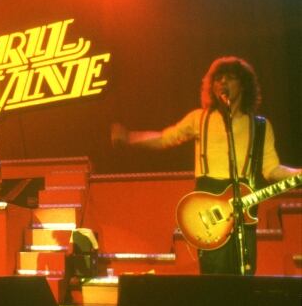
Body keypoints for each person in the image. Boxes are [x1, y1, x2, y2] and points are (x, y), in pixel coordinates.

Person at [111, 56, 301, 275]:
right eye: (218, 79)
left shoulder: (260, 126)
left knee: (245, 278)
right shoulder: (199, 119)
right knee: (214, 278)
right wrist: (129, 138)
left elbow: (272, 169)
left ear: (243, 84)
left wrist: (298, 174)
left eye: (229, 78)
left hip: (244, 209)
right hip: (209, 209)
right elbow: (165, 138)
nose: (222, 83)